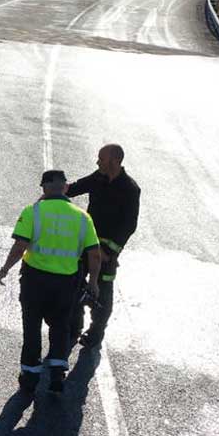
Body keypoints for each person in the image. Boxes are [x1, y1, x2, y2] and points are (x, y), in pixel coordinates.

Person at [0, 170, 102, 395]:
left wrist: (5, 268)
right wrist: (93, 282)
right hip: (66, 283)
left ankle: (30, 376)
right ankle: (57, 372)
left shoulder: (33, 212)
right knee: (61, 326)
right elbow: (94, 254)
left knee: (32, 327)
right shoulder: (83, 217)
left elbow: (20, 247)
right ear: (65, 187)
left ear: (43, 187)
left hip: (35, 280)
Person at [67, 144, 141, 350]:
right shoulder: (98, 177)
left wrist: (109, 251)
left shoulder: (130, 189)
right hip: (87, 245)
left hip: (106, 253)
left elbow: (129, 225)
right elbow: (77, 187)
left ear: (115, 161)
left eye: (101, 159)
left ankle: (96, 331)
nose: (97, 162)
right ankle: (74, 327)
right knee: (76, 284)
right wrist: (59, 189)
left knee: (102, 291)